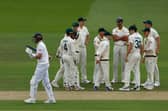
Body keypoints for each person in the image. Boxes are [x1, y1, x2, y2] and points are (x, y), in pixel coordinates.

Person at [24, 33, 56, 104]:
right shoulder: (41, 44)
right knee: (46, 82)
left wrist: (31, 54)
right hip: (45, 64)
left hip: (42, 65)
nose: (34, 39)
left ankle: (32, 99)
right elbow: (48, 56)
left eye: (35, 38)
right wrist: (47, 57)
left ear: (38, 38)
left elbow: (39, 56)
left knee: (33, 81)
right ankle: (51, 99)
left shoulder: (40, 45)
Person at [119, 25, 143, 91]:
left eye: (130, 31)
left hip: (132, 54)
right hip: (138, 54)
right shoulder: (140, 36)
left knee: (127, 69)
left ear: (132, 30)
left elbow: (131, 46)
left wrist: (127, 55)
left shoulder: (131, 36)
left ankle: (126, 86)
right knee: (137, 70)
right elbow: (141, 46)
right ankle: (137, 86)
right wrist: (141, 55)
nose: (129, 32)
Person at [142, 20, 160, 87]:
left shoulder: (153, 31)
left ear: (150, 24)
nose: (145, 25)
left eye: (146, 24)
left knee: (154, 66)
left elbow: (158, 39)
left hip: (153, 52)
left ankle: (157, 81)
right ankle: (149, 80)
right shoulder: (146, 32)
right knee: (149, 68)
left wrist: (157, 49)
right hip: (148, 53)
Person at [112, 17, 129, 83]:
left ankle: (123, 78)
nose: (119, 23)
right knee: (115, 63)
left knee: (123, 63)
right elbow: (114, 39)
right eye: (118, 22)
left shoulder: (126, 29)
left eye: (120, 22)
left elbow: (127, 38)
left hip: (123, 47)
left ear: (122, 22)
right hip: (116, 47)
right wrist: (122, 37)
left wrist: (118, 37)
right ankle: (114, 78)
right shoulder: (114, 29)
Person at [78, 17, 91, 83]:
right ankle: (75, 79)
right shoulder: (76, 28)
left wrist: (87, 41)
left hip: (83, 48)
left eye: (84, 21)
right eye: (82, 21)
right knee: (76, 63)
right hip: (77, 48)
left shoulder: (85, 28)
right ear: (79, 22)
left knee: (83, 64)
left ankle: (84, 79)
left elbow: (88, 35)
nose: (83, 22)